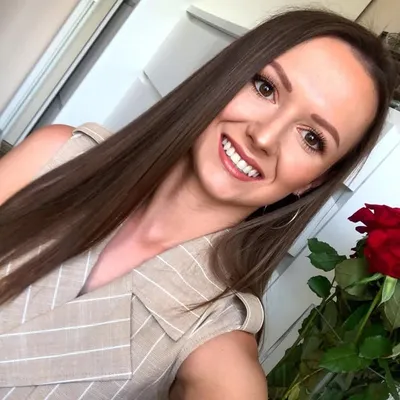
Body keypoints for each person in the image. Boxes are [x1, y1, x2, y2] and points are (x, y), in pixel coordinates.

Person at [0, 8, 396, 400]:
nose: (263, 137)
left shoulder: (218, 344)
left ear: (316, 179)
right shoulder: (58, 154)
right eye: (265, 87)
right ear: (228, 73)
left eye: (311, 138)